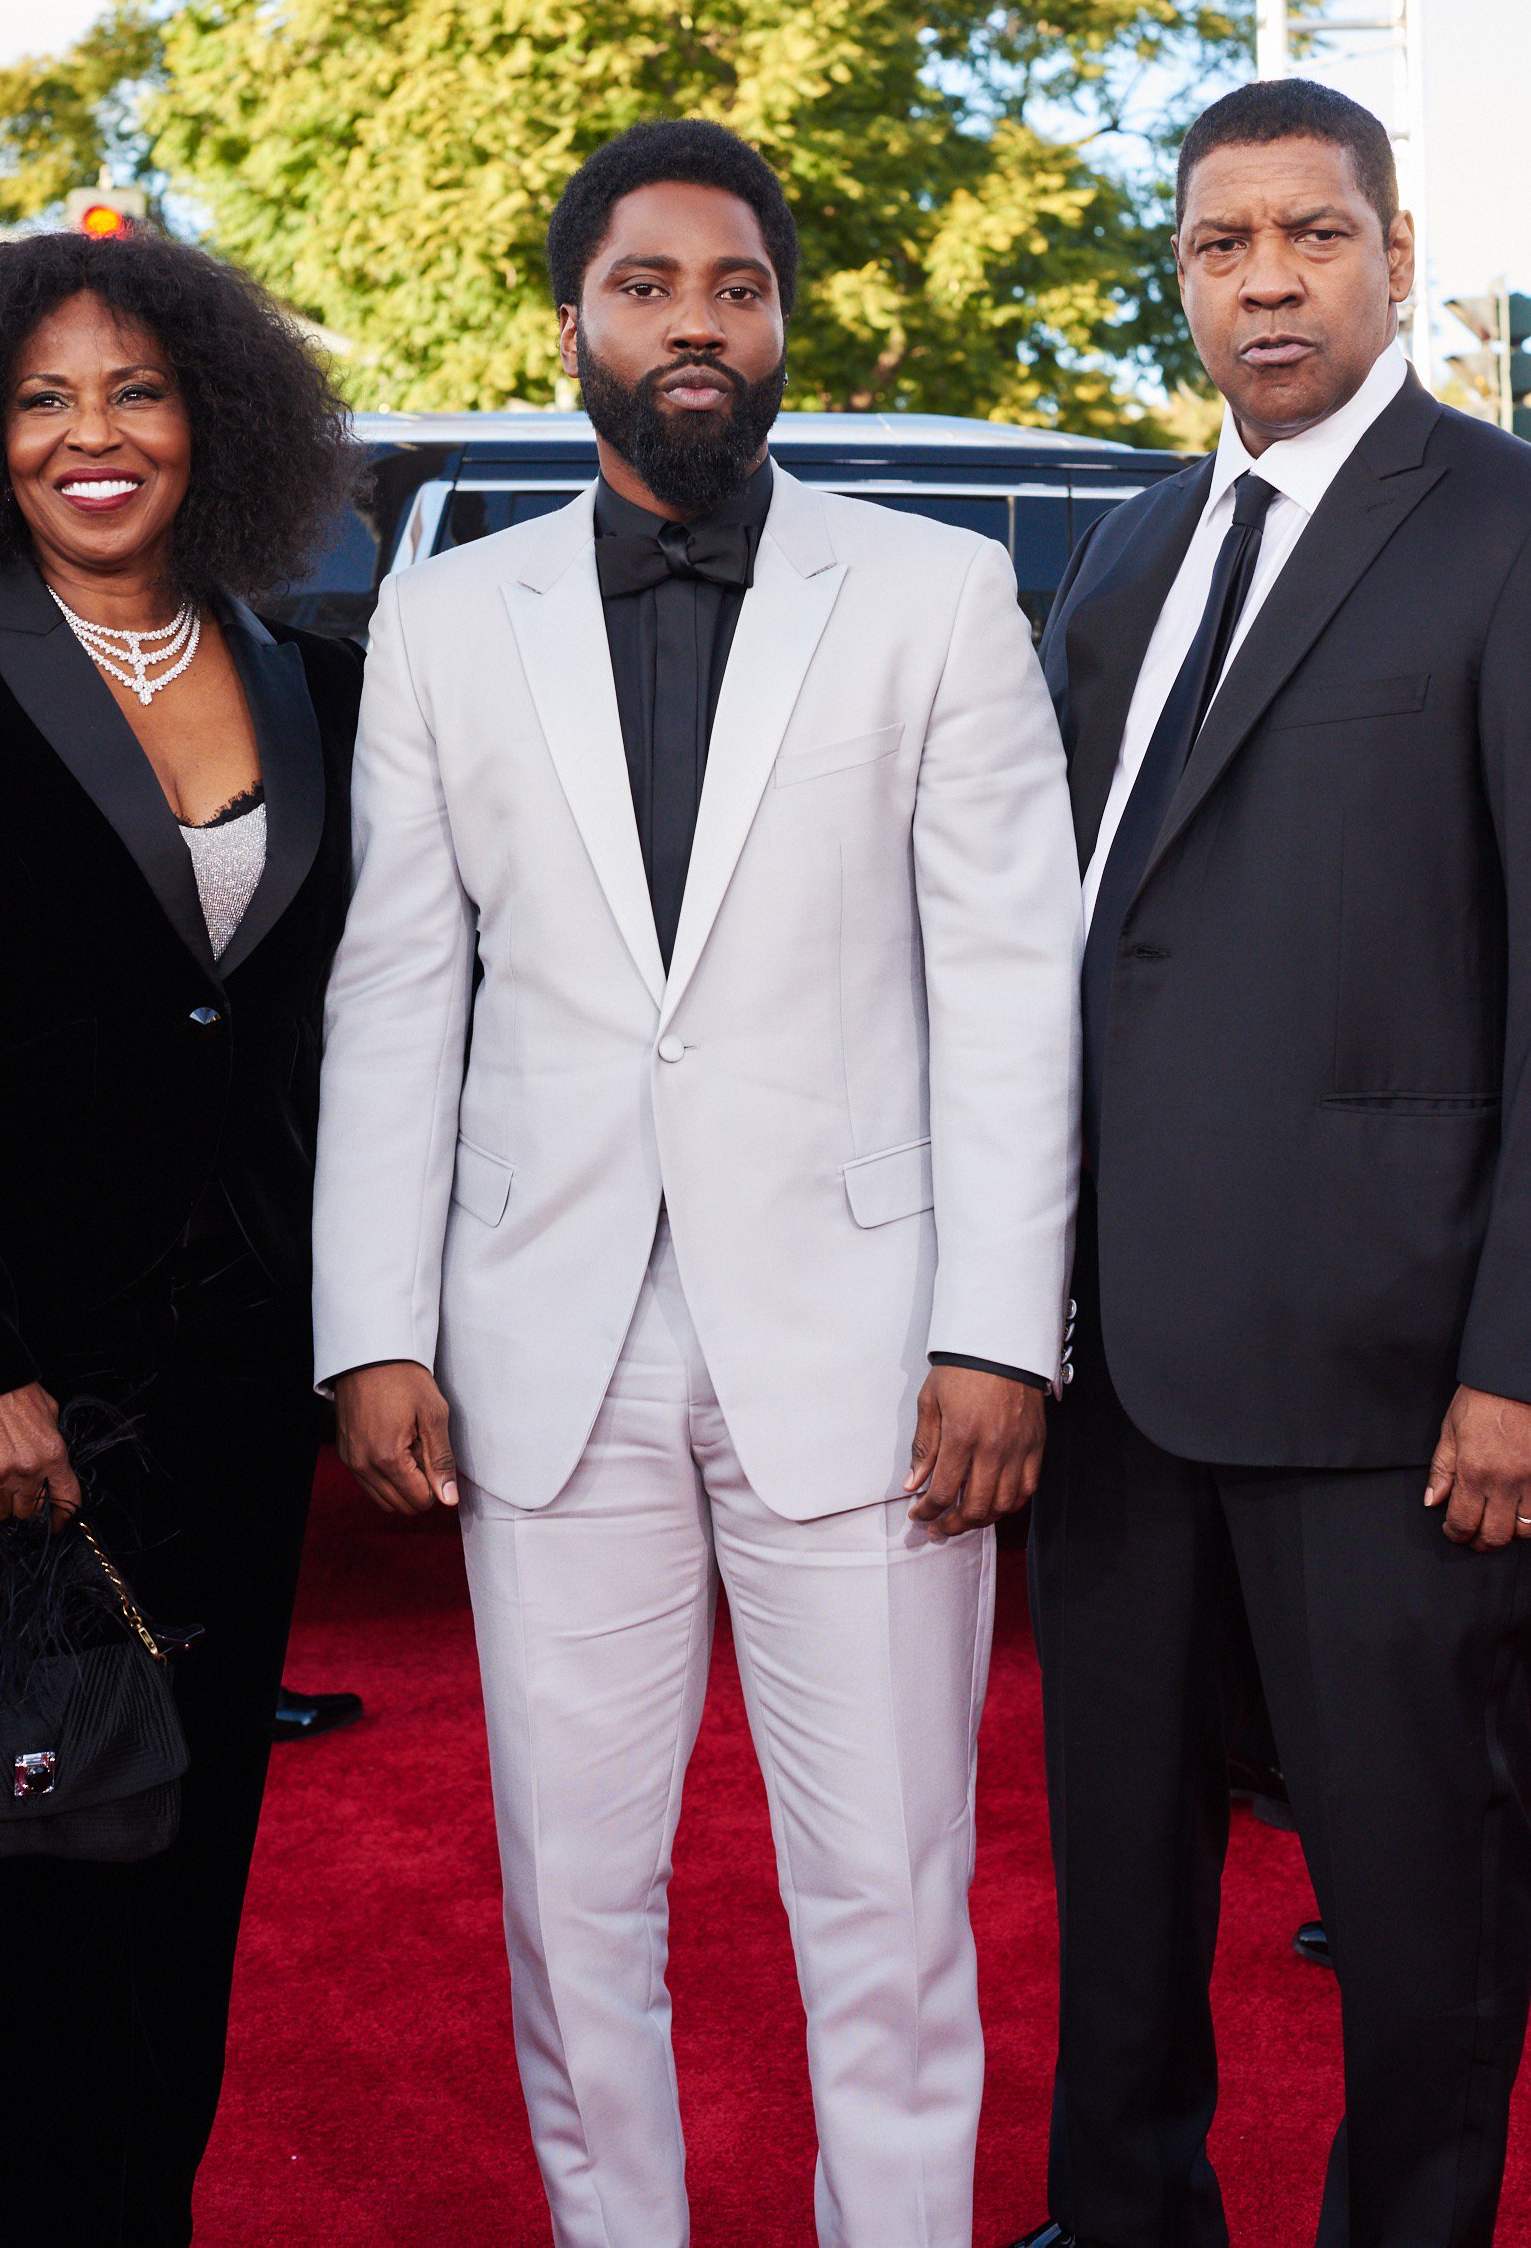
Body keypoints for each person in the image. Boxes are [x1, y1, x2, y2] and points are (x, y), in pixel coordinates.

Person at [311, 119, 1082, 2246]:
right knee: (575, 1907)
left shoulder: (932, 592)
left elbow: (1014, 983)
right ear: (573, 324)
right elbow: (399, 987)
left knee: (893, 1904)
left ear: (780, 323)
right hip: (545, 1349)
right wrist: (374, 1321)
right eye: (649, 285)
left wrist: (1001, 1327)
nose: (695, 323)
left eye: (733, 286)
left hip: (869, 1350)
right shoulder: (449, 620)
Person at [1012, 78, 1531, 2248]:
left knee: (1417, 1907)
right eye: (1222, 245)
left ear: (1395, 255)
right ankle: (1126, 2218)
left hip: (1392, 1368)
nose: (1265, 281)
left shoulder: (1501, 522)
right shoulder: (1133, 539)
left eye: (1310, 237)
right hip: (1114, 1360)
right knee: (1119, 1880)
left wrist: (1517, 1361)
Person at [0, 228, 362, 2247]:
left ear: (212, 420)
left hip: (233, 1392)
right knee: (8, 1908)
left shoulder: (315, 678)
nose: (93, 435)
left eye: (136, 391)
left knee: (186, 1884)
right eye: (44, 398)